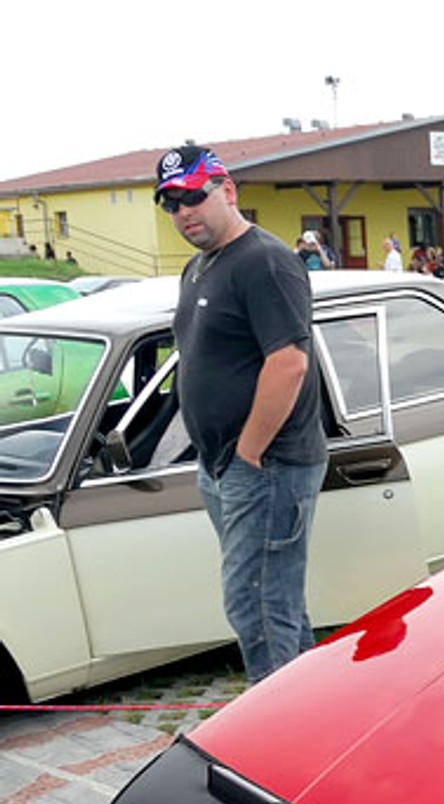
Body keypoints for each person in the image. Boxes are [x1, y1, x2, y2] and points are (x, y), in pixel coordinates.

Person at [156, 144, 327, 683]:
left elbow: (288, 363)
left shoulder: (267, 262)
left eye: (192, 196)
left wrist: (249, 454)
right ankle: (307, 713)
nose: (183, 211)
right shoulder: (199, 267)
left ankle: (281, 740)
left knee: (255, 606)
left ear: (227, 192)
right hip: (224, 466)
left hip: (266, 466)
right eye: (170, 203)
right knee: (274, 601)